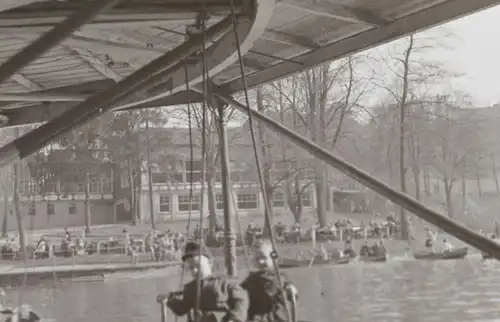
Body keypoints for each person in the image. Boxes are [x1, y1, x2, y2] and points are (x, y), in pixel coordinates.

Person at [157, 241, 248, 322]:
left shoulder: (225, 283)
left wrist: (234, 318)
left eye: (197, 266)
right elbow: (182, 308)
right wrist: (169, 300)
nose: (194, 271)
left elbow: (241, 300)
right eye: (191, 268)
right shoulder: (190, 289)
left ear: (210, 263)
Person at [241, 239, 298, 322]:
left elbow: (292, 293)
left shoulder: (280, 277)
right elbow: (238, 292)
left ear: (272, 257)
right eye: (257, 259)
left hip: (277, 318)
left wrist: (292, 289)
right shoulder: (251, 280)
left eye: (264, 257)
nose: (261, 261)